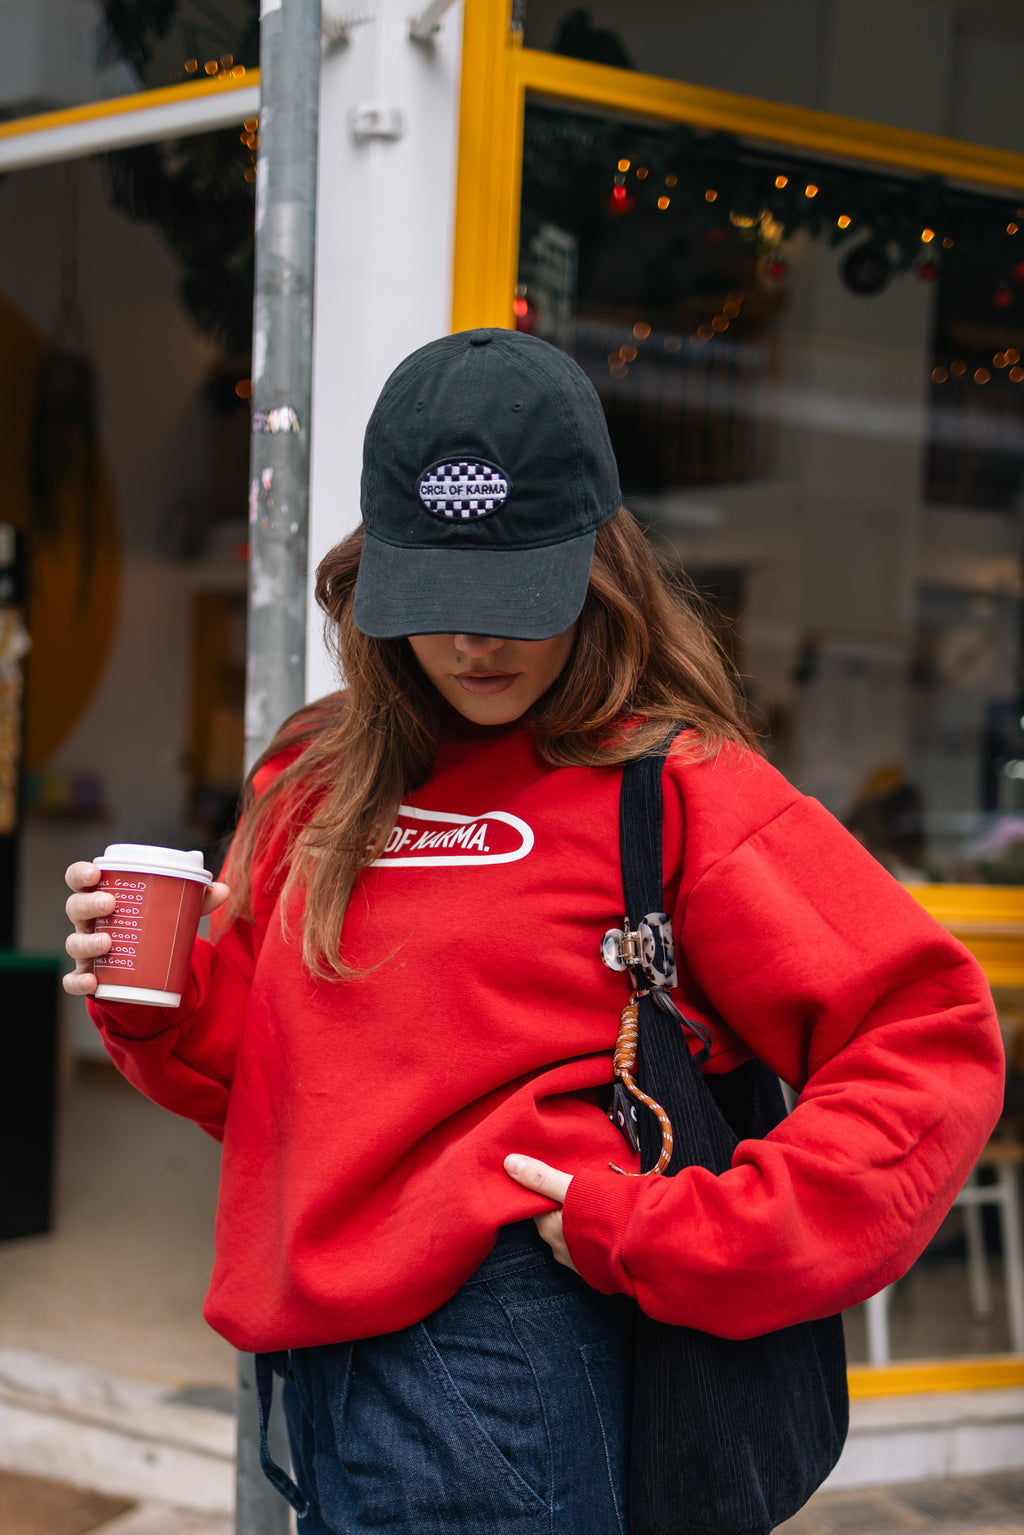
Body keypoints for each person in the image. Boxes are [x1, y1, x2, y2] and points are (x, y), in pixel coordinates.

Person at [65, 328, 1004, 1535]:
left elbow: (926, 1036)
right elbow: (275, 1075)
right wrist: (153, 996)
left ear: (599, 568)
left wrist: (690, 1232)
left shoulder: (667, 782)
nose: (478, 643)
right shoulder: (313, 774)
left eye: (517, 598)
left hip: (512, 1350)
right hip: (314, 1368)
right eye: (440, 600)